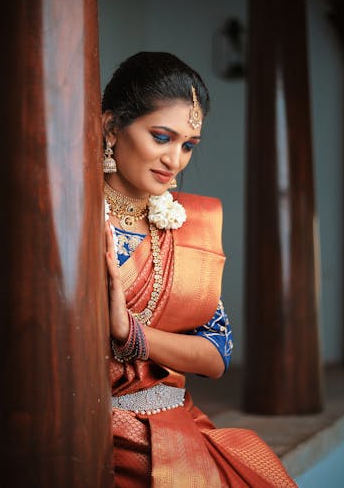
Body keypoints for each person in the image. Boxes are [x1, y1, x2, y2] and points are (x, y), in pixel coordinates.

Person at [102, 52, 297, 487]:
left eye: (187, 145)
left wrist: (131, 333)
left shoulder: (188, 227)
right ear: (111, 128)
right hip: (93, 430)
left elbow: (216, 355)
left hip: (174, 423)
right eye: (161, 137)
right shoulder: (74, 220)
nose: (175, 160)